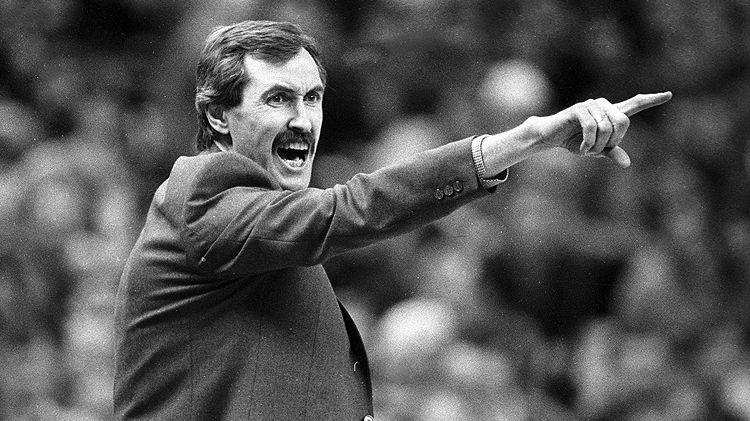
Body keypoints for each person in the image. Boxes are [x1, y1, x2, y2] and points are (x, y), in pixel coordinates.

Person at [113, 20, 671, 420]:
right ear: (217, 116)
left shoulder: (265, 227)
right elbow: (353, 208)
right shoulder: (204, 194)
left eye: (313, 98)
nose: (304, 120)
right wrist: (524, 141)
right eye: (278, 99)